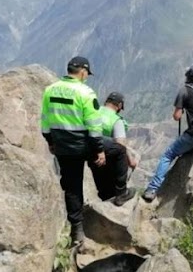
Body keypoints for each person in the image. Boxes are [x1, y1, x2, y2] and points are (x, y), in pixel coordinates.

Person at [41, 56, 105, 246]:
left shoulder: (49, 90)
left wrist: (50, 142)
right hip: (82, 145)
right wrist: (99, 150)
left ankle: (76, 230)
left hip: (62, 147)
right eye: (87, 74)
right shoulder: (86, 92)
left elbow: (45, 122)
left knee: (72, 187)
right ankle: (115, 197)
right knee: (116, 151)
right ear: (83, 72)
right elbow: (94, 127)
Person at [142, 61, 193, 202]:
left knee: (168, 154)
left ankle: (152, 189)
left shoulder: (185, 90)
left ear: (190, 74)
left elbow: (176, 116)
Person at [89, 91, 137, 206]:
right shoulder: (116, 120)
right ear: (119, 106)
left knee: (103, 191)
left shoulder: (93, 111)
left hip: (90, 151)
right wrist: (131, 161)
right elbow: (120, 145)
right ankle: (121, 194)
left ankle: (106, 203)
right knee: (120, 154)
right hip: (108, 158)